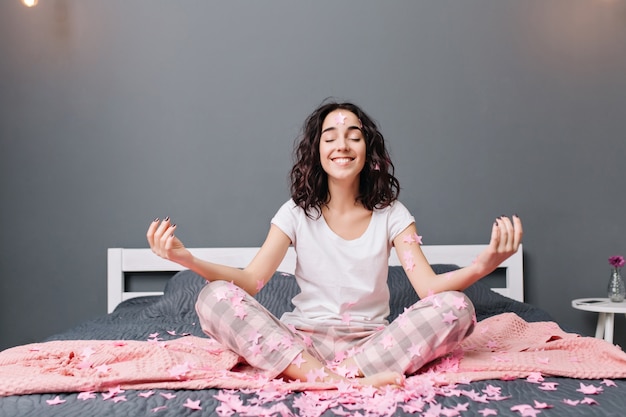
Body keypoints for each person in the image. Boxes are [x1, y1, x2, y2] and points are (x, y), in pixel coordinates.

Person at [146, 100, 522, 388]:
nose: (342, 145)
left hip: (371, 347)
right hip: (300, 344)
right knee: (212, 297)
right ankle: (330, 381)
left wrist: (482, 267)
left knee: (457, 308)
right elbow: (251, 281)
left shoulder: (393, 214)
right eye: (331, 137)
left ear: (367, 149)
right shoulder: (295, 213)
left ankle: (331, 379)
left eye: (353, 136)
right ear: (318, 151)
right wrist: (188, 259)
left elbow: (428, 290)